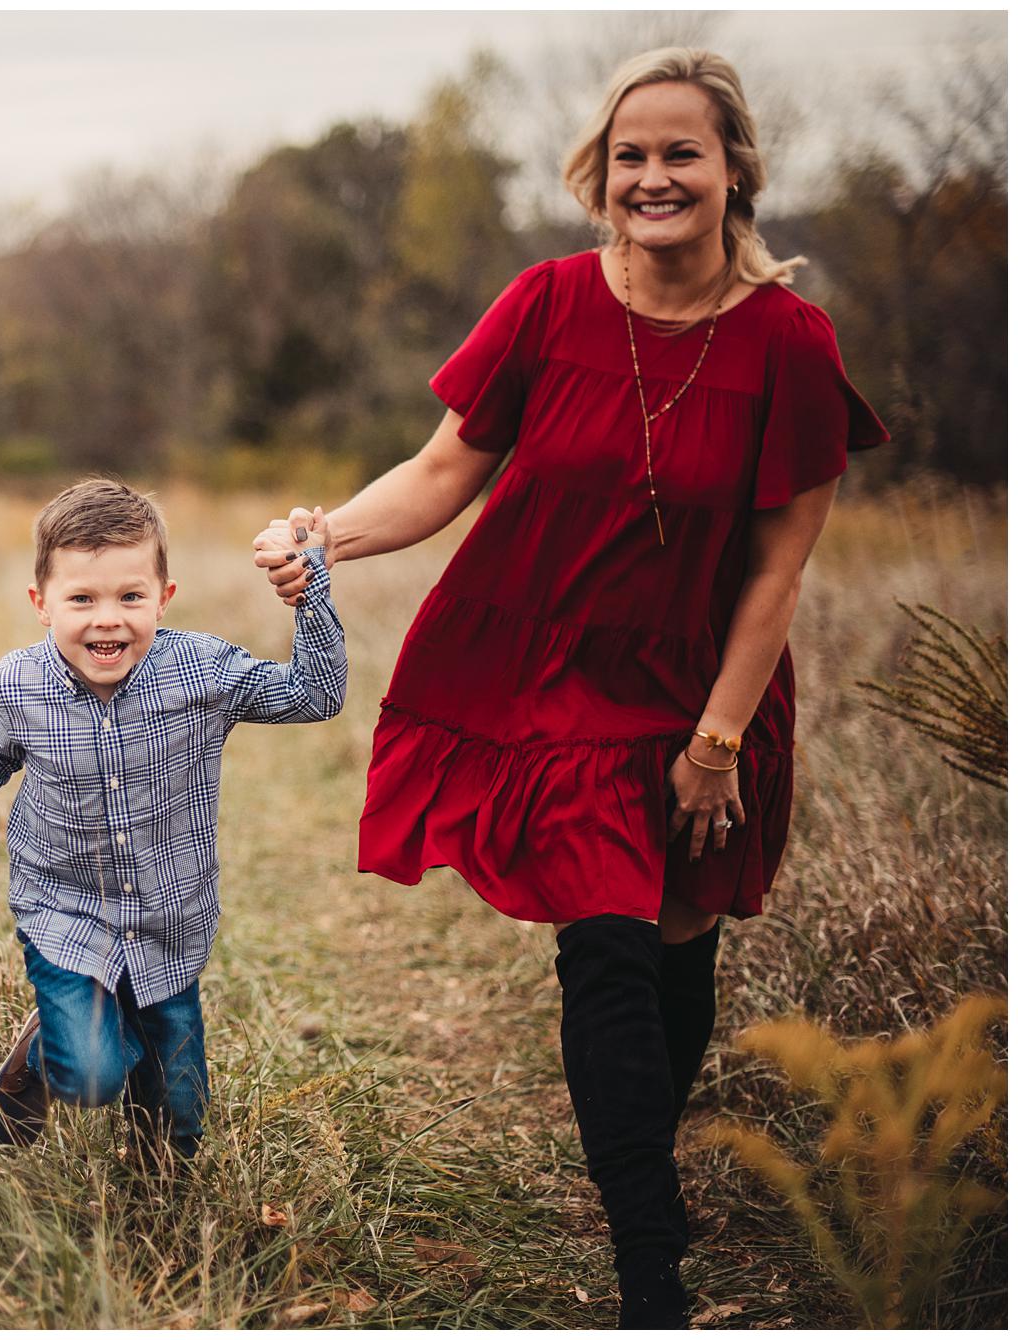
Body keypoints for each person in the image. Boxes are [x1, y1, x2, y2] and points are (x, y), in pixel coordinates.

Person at [254, 48, 887, 1327]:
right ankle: (648, 1262)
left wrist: (715, 740)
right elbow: (442, 472)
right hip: (546, 676)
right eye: (629, 157)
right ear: (597, 177)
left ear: (732, 173)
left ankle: (642, 1165)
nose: (652, 177)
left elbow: (776, 572)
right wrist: (325, 534)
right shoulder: (543, 302)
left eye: (679, 154)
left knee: (672, 956)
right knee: (599, 946)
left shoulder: (789, 342)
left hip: (700, 686)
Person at [0, 478, 347, 1167]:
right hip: (66, 910)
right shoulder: (18, 684)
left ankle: (157, 1203)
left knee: (176, 1119)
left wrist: (311, 590)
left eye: (130, 597)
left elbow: (315, 695)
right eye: (82, 599)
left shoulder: (201, 670)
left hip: (168, 915)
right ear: (41, 604)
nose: (107, 620)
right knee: (93, 1074)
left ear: (164, 597)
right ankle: (49, 1051)